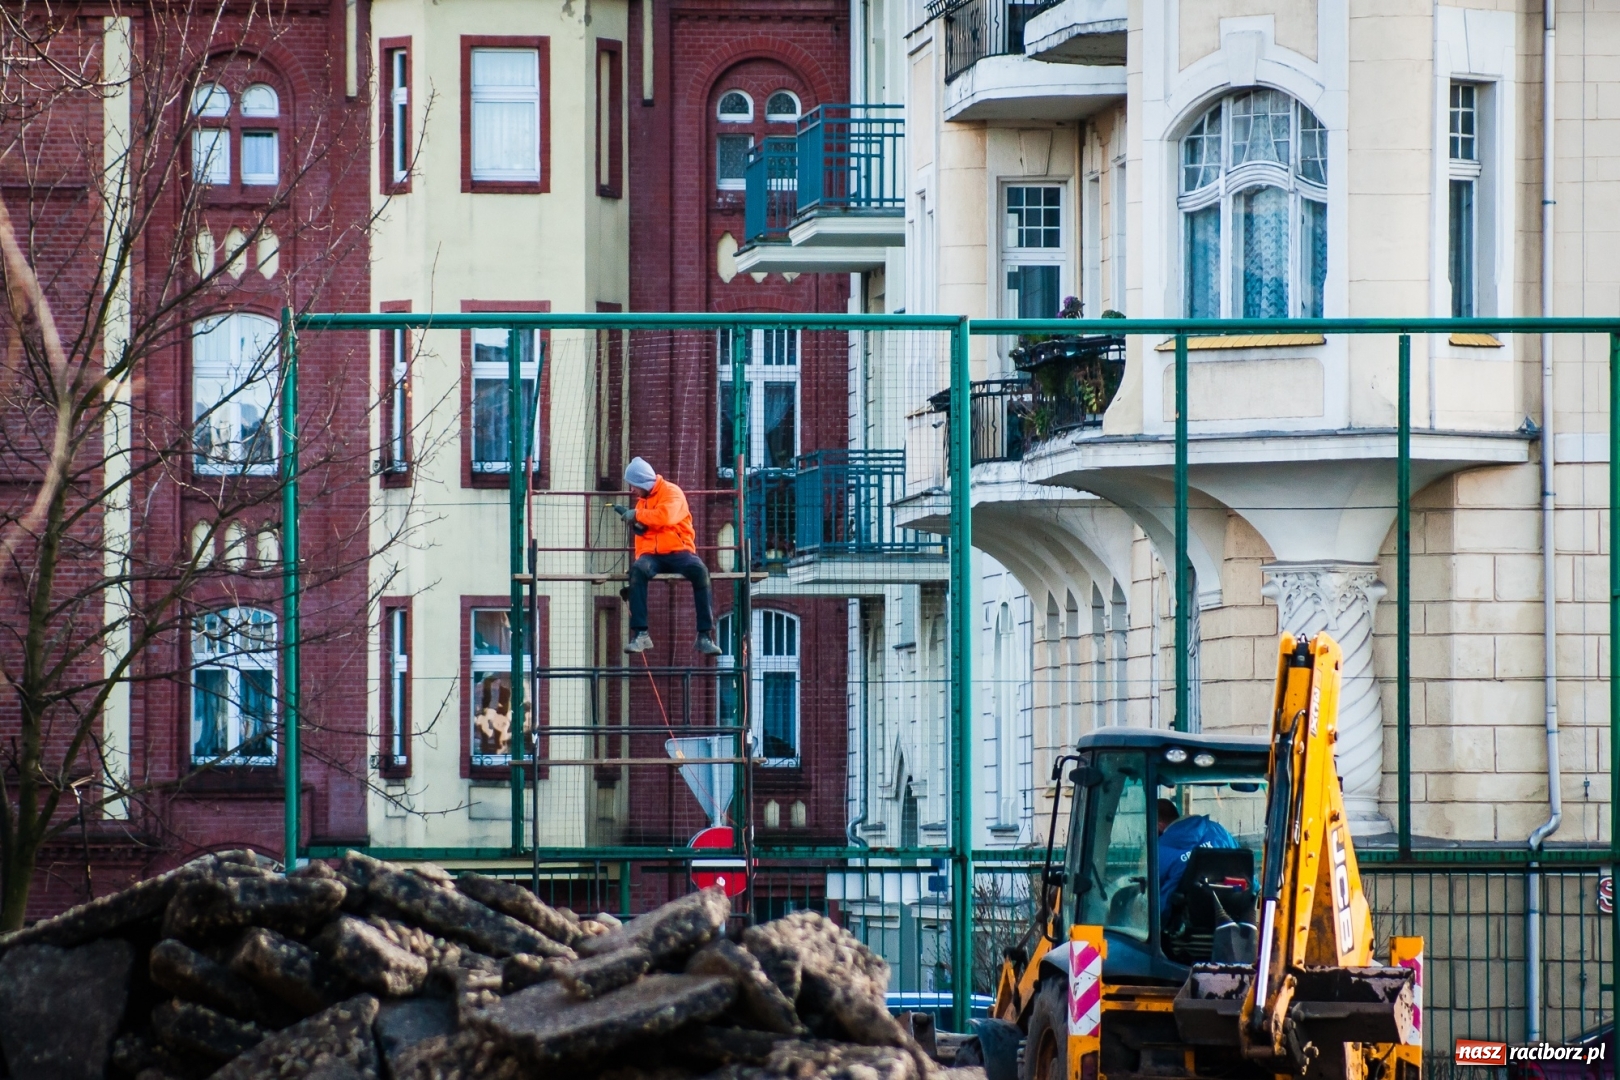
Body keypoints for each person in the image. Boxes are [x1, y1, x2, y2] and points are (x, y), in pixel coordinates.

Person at [613, 457, 722, 656]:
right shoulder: (642, 502)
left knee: (700, 571)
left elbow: (665, 516)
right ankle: (641, 634)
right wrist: (640, 558)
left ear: (643, 482)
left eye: (634, 485)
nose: (632, 490)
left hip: (679, 551)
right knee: (638, 571)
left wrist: (636, 515)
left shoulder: (672, 493)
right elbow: (643, 535)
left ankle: (705, 635)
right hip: (652, 556)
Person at [1155, 797, 1238, 908]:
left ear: (1160, 825)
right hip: (1233, 908)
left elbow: (1154, 894)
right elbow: (1244, 867)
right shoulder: (1217, 830)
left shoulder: (1159, 850)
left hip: (1184, 915)